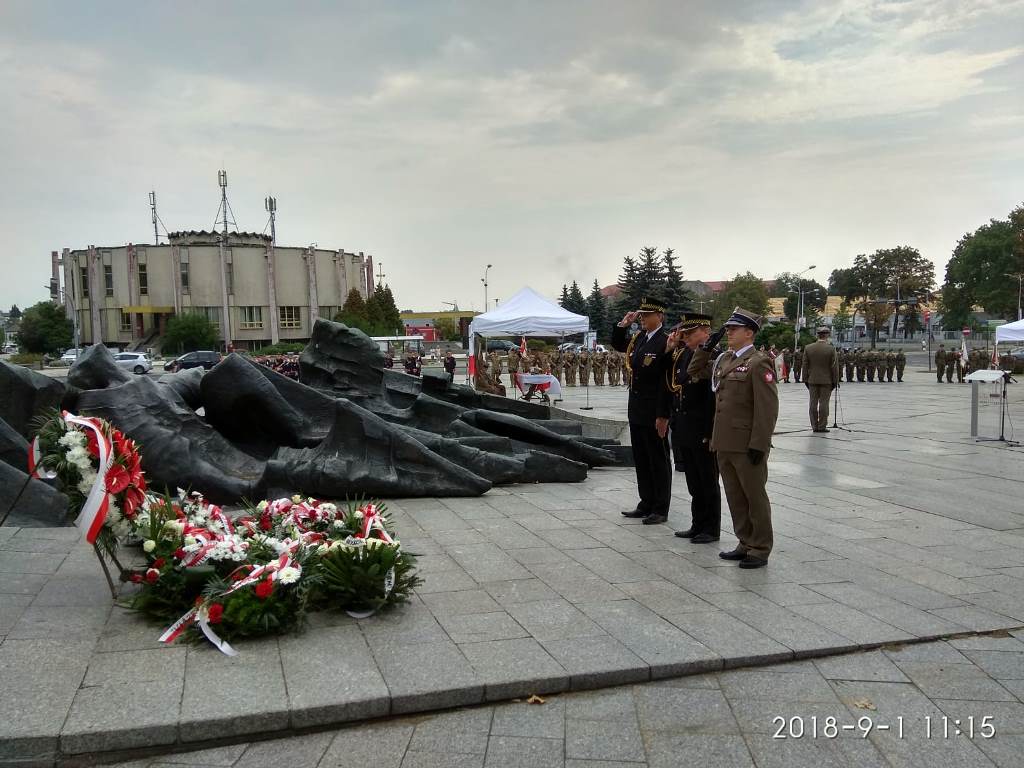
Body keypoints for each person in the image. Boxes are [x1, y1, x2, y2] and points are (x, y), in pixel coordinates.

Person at [711, 308, 779, 569]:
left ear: (749, 333)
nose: (728, 332)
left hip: (746, 444)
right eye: (728, 328)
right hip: (725, 442)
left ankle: (760, 548)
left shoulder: (759, 362)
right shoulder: (726, 359)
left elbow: (767, 408)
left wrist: (759, 444)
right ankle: (745, 541)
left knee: (754, 497)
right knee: (735, 497)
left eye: (734, 328)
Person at [612, 298, 672, 525]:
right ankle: (646, 502)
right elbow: (619, 345)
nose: (642, 319)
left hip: (654, 411)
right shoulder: (639, 339)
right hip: (637, 409)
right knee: (642, 459)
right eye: (641, 316)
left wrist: (663, 415)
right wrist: (622, 325)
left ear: (660, 317)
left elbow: (666, 382)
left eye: (647, 315)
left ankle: (660, 507)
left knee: (658, 459)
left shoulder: (666, 342)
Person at [661, 313, 721, 543]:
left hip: (703, 428)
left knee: (708, 480)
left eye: (690, 333)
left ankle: (711, 528)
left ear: (705, 333)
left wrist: (709, 432)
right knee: (694, 481)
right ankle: (697, 524)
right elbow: (674, 384)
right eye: (684, 333)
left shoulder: (713, 357)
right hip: (685, 427)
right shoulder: (683, 355)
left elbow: (713, 400)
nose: (684, 337)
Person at [802, 326, 839, 433]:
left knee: (812, 403)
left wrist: (805, 379)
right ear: (827, 335)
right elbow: (834, 367)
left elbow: (805, 365)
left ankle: (814, 426)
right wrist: (835, 380)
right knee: (824, 403)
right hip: (826, 380)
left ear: (817, 335)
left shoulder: (808, 348)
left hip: (812, 380)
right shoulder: (831, 349)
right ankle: (822, 426)